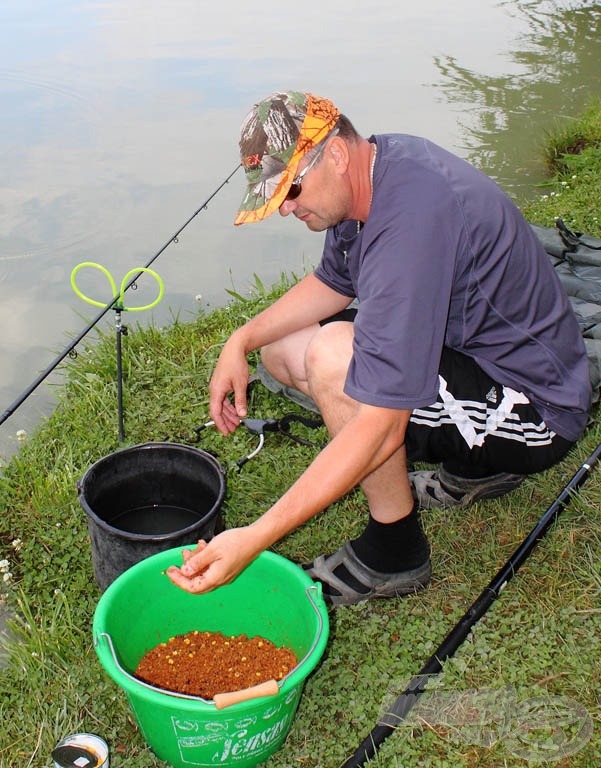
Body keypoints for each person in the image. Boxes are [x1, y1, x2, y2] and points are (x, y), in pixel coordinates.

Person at [167, 91, 591, 605]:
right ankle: (481, 467)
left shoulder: (413, 217)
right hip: (477, 364)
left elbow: (383, 419)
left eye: (292, 189)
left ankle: (395, 553)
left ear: (338, 154)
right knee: (282, 349)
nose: (287, 208)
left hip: (537, 411)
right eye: (278, 198)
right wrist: (241, 340)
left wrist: (256, 537)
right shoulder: (372, 172)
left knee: (332, 357)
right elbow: (334, 280)